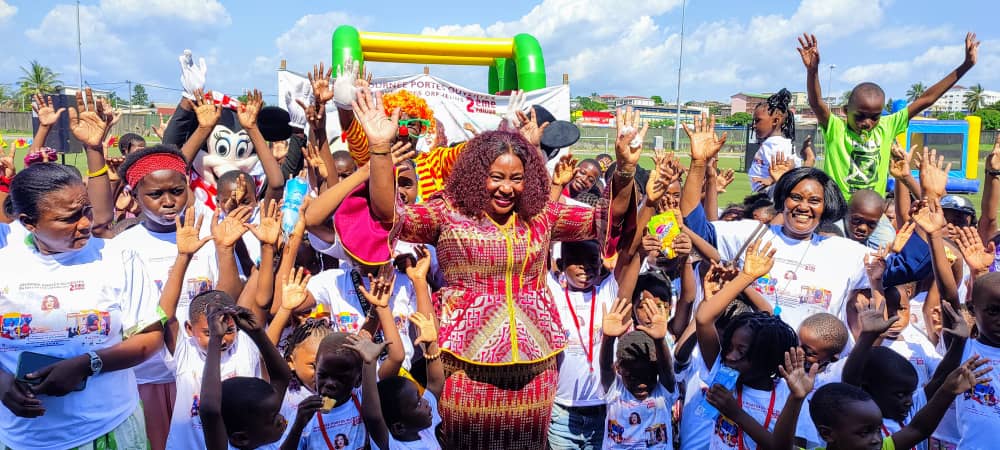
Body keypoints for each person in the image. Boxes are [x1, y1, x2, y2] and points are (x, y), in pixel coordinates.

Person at [362, 87, 639, 448]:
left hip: (536, 370)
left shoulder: (542, 215)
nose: (507, 188)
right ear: (478, 175)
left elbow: (607, 219)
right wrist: (380, 150)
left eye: (516, 178)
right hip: (466, 369)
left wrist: (626, 170)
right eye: (497, 177)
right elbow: (388, 215)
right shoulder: (448, 213)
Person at [680, 115, 930, 331]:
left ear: (826, 206)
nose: (803, 206)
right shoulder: (752, 233)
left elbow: (906, 268)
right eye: (796, 197)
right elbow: (695, 228)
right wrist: (698, 164)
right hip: (753, 363)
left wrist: (930, 212)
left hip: (815, 372)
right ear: (783, 199)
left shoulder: (844, 252)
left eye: (814, 200)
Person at [0, 162, 164, 450]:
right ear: (28, 222)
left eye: (86, 210)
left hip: (109, 428)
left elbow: (150, 338)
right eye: (69, 218)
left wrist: (88, 364)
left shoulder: (118, 257)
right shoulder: (6, 261)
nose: (86, 223)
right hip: (22, 437)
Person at [109, 145, 226, 450]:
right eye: (156, 194)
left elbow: (226, 295)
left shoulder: (207, 237)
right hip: (148, 378)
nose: (169, 201)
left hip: (206, 372)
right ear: (134, 196)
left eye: (176, 190)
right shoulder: (123, 247)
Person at [798, 32, 979, 200]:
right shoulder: (836, 128)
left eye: (874, 117)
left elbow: (926, 99)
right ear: (845, 110)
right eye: (860, 116)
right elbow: (816, 103)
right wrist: (812, 71)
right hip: (838, 209)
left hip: (872, 212)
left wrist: (965, 66)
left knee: (892, 236)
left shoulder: (887, 126)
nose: (867, 123)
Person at [198, 304, 292, 450]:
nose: (281, 420)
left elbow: (282, 377)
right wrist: (215, 339)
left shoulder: (268, 440)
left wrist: (257, 332)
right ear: (241, 438)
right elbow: (210, 410)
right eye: (273, 418)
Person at [599, 298, 676, 449]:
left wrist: (660, 341)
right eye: (632, 377)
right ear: (619, 369)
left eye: (648, 376)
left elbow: (667, 370)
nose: (641, 384)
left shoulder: (662, 393)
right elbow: (605, 368)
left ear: (657, 371)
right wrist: (608, 339)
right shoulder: (615, 391)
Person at [281, 332, 372, 450]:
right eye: (323, 375)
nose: (330, 384)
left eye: (340, 378)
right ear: (316, 369)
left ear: (358, 379)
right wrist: (298, 426)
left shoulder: (363, 403)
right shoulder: (305, 413)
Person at [747, 89, 798, 192]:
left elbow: (791, 165)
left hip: (771, 196)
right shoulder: (772, 142)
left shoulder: (777, 144)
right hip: (765, 193)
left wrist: (770, 179)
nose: (754, 125)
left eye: (758, 120)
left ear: (775, 121)